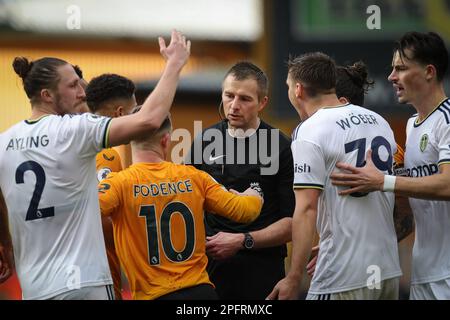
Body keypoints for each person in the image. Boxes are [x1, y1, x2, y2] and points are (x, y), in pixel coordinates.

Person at [0, 29, 190, 300]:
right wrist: (174, 65)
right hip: (86, 285)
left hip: (35, 290)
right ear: (47, 95)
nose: (83, 92)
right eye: (73, 85)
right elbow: (148, 120)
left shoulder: (4, 143)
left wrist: (5, 243)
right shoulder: (75, 130)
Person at [267, 52, 401, 300]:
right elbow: (399, 206)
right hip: (388, 273)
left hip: (342, 277)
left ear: (298, 90)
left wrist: (294, 277)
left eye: (288, 86)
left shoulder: (309, 130)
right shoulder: (380, 122)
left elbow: (306, 209)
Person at [330, 31, 450, 300]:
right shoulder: (412, 125)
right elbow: (409, 205)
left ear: (429, 71)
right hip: (424, 271)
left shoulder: (447, 120)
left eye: (401, 68)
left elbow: (447, 184)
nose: (391, 77)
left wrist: (382, 181)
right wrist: (345, 246)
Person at [97, 113, 263, 300]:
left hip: (153, 295)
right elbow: (244, 211)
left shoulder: (119, 184)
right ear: (166, 140)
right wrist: (255, 194)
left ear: (129, 140)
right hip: (201, 295)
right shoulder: (194, 177)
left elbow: (83, 212)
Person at [186, 61, 295, 299]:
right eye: (229, 96)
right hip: (211, 270)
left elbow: (293, 223)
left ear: (262, 103)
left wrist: (242, 240)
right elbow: (186, 204)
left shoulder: (282, 147)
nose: (234, 106)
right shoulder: (205, 141)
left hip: (261, 268)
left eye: (245, 99)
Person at [306, 61, 412, 278]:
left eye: (317, 100)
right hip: (384, 268)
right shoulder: (391, 143)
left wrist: (345, 248)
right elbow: (405, 214)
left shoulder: (320, 139)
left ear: (342, 102)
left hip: (346, 273)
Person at [85, 73, 138, 299]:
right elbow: (104, 217)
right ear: (120, 113)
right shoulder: (105, 154)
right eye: (135, 112)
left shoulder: (69, 144)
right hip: (99, 274)